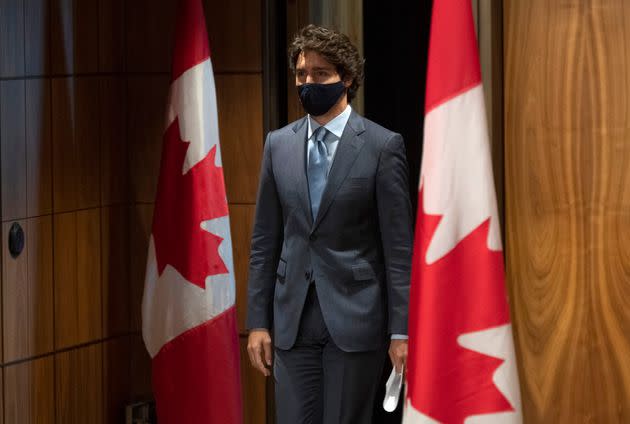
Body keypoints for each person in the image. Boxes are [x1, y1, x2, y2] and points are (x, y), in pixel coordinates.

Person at [246, 24, 412, 424]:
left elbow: (399, 250)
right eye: (302, 74)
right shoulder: (278, 144)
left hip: (355, 321)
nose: (308, 83)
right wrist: (257, 322)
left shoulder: (382, 146)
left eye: (320, 74)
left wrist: (401, 331)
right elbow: (264, 241)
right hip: (292, 323)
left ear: (347, 78)